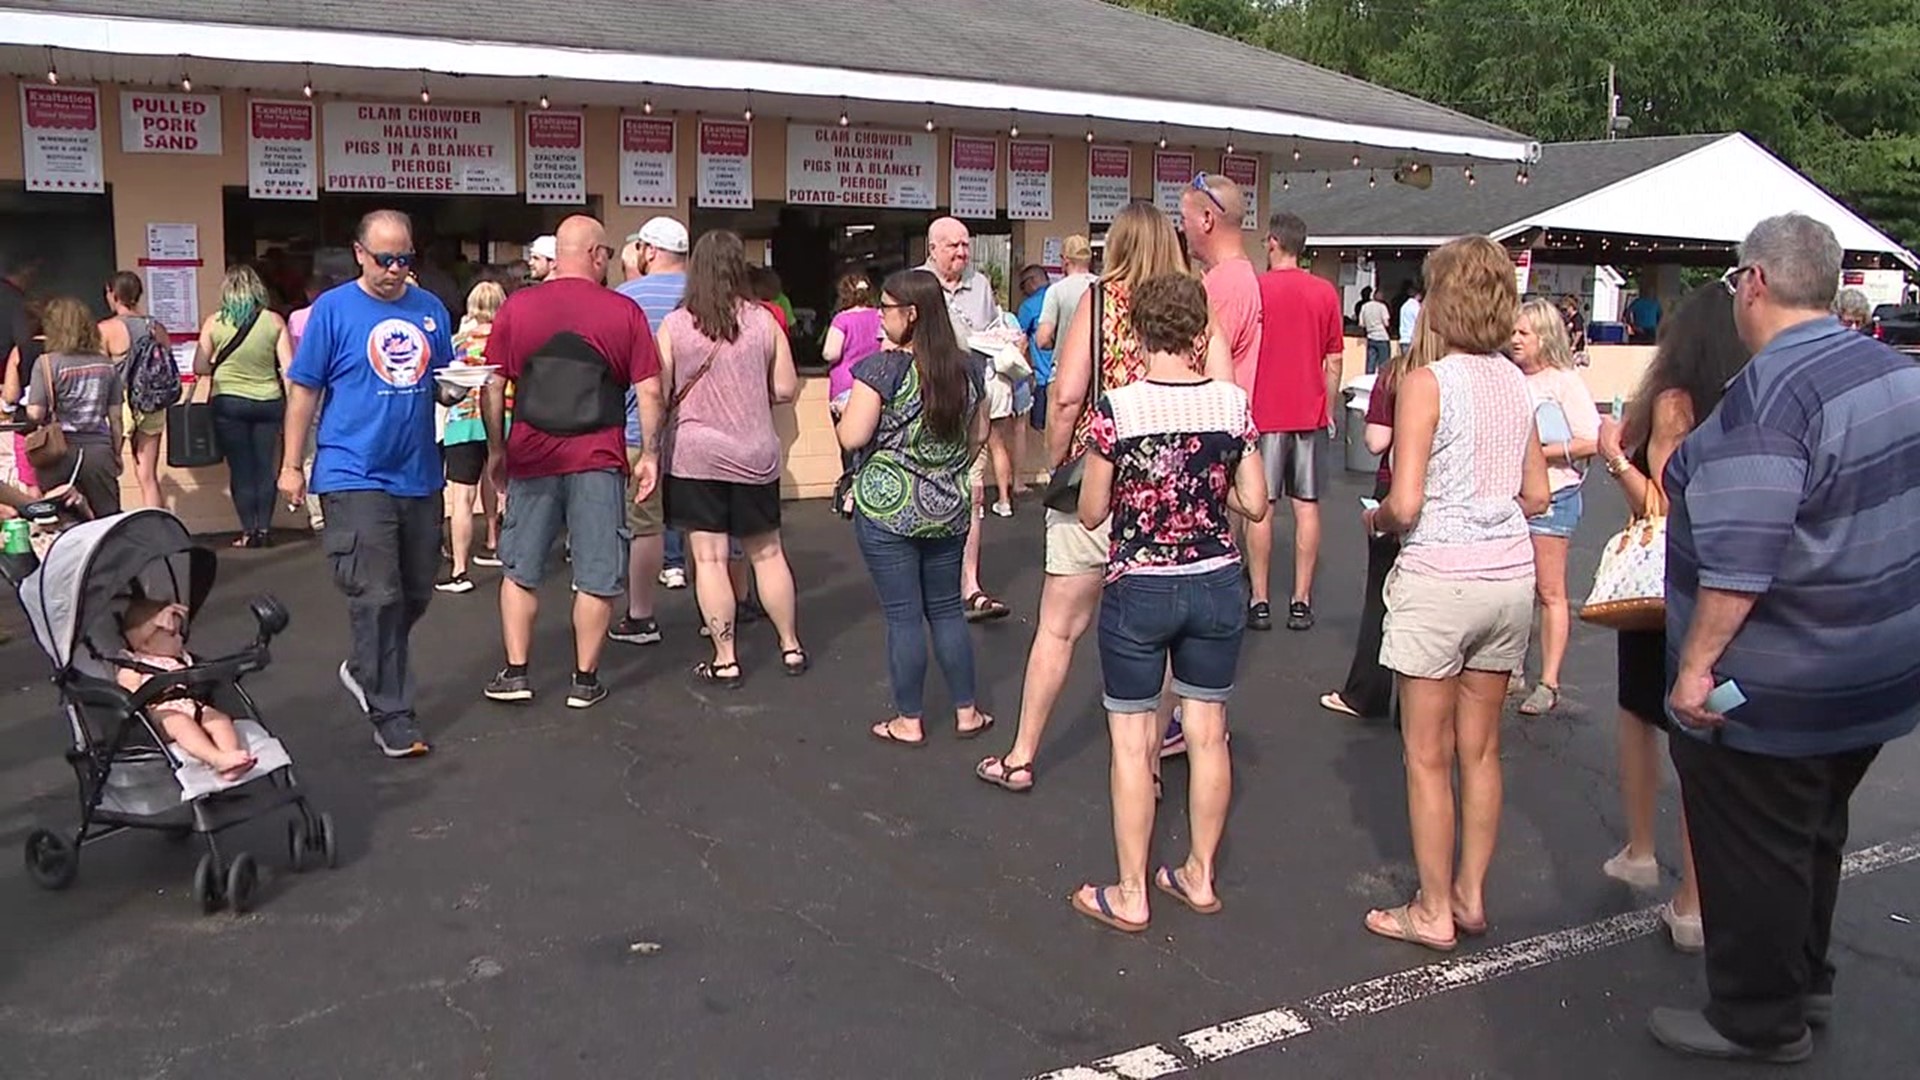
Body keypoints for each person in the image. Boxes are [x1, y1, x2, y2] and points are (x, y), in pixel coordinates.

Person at [1649, 213, 1920, 1063]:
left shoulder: (1766, 397)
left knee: (1755, 843)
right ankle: (1805, 976)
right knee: (1813, 829)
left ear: (1755, 284)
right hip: (1875, 670)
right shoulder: (1892, 371)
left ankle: (1759, 1018)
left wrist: (1694, 671)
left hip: (1779, 680)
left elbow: (1740, 556)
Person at [975, 201, 1234, 794]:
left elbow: (1067, 394)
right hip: (1173, 494)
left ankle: (1022, 753)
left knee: (1059, 627)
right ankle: (1145, 761)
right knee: (1164, 639)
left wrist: (1060, 456)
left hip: (1100, 475)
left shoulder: (1101, 298)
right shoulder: (1197, 307)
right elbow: (1227, 390)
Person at [1361, 235, 1549, 952]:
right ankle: (1470, 894)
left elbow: (1404, 503)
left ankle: (1432, 907)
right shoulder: (1515, 381)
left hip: (1441, 574)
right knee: (1481, 750)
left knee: (1426, 754)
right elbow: (1535, 492)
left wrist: (1376, 520)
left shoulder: (1428, 381)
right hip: (1509, 575)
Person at [1067, 273, 1266, 933]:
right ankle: (1199, 874)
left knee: (1132, 742)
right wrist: (1207, 492)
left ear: (1138, 332)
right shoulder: (1233, 405)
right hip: (1214, 580)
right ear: (1199, 334)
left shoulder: (1118, 409)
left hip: (1141, 584)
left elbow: (1093, 510)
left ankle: (1131, 891)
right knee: (1207, 732)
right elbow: (1257, 503)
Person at [1593, 284, 1748, 955]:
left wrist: (1615, 457)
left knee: (1644, 717)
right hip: (1733, 581)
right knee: (1712, 733)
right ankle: (1698, 889)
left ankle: (1647, 854)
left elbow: (1661, 501)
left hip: (1666, 585)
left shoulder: (1673, 402)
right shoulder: (1747, 400)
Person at [280, 209, 459, 759]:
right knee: (376, 594)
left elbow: (441, 380)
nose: (395, 269)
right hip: (352, 471)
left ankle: (366, 665)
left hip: (418, 472)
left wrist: (453, 390)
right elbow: (305, 391)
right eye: (385, 259)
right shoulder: (332, 311)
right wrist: (292, 464)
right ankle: (393, 712)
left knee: (415, 591)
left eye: (405, 258)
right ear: (359, 253)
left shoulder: (429, 310)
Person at [479, 216, 663, 709]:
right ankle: (585, 680)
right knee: (597, 572)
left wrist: (497, 450)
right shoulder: (623, 311)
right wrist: (650, 454)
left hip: (532, 455)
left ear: (558, 255)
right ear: (599, 255)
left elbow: (493, 383)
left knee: (520, 569)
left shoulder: (519, 307)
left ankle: (517, 672)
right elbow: (649, 389)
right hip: (599, 458)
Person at [841, 268, 991, 746]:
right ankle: (967, 711)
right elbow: (979, 435)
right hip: (948, 509)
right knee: (946, 610)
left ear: (911, 314)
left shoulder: (881, 370)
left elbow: (854, 436)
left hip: (887, 511)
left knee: (904, 616)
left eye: (886, 308)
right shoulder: (968, 369)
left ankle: (909, 720)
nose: (880, 317)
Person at [658, 229, 805, 687]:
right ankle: (790, 645)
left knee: (709, 559)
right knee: (768, 552)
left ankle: (726, 656)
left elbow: (660, 391)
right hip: (755, 452)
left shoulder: (676, 325)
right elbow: (785, 388)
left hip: (695, 456)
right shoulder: (765, 321)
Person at [1320, 309, 1442, 721]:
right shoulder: (1458, 377)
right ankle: (1418, 706)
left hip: (1396, 487)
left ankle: (1367, 692)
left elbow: (1375, 442)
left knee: (1382, 595)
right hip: (1445, 495)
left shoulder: (1395, 374)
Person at [1247, 211, 1342, 632]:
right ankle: (1300, 600)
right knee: (1306, 507)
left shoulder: (1256, 290)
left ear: (1272, 242)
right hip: (1309, 413)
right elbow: (1334, 360)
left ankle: (1259, 598)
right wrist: (1328, 407)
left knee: (1261, 508)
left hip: (1264, 413)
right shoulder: (1325, 293)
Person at [1508, 298, 1599, 716]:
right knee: (1514, 588)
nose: (1515, 339)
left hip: (1555, 496)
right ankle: (1511, 669)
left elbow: (1591, 439)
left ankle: (1548, 681)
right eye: (1514, 332)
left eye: (1523, 333)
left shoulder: (1564, 382)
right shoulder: (1508, 378)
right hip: (1512, 497)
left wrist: (1539, 454)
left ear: (1544, 337)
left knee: (1549, 591)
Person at [922, 216, 1013, 622]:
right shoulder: (915, 286)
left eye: (965, 245)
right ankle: (929, 580)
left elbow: (994, 331)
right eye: (952, 246)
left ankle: (970, 585)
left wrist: (1009, 343)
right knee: (929, 495)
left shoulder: (981, 286)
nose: (961, 253)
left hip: (974, 405)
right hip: (927, 410)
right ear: (932, 248)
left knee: (973, 494)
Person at [611, 216, 691, 641]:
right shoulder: (710, 297)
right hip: (700, 431)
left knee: (644, 524)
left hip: (638, 429)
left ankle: (640, 615)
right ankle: (729, 608)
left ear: (649, 251)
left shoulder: (624, 297)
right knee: (711, 528)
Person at [195, 265, 293, 548]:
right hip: (268, 401)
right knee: (265, 468)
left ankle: (248, 531)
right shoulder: (274, 321)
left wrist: (223, 366)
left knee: (241, 469)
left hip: (229, 403)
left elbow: (200, 366)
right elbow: (288, 369)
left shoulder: (214, 323)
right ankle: (264, 529)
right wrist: (291, 410)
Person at [116, 597, 255, 779]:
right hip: (160, 715)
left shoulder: (181, 658)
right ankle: (216, 758)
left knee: (219, 719)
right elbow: (129, 694)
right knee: (182, 724)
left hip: (190, 704)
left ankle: (232, 756)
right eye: (173, 634)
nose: (181, 638)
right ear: (145, 643)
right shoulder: (133, 665)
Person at [20, 297, 125, 517]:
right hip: (98, 451)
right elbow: (116, 418)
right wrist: (116, 453)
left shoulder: (47, 363)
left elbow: (36, 413)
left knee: (58, 517)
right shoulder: (106, 364)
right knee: (107, 517)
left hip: (57, 452)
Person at [436, 281, 504, 594]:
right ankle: (493, 539)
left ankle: (460, 569)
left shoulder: (458, 340)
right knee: (496, 481)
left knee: (462, 498)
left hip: (463, 421)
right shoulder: (507, 339)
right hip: (501, 420)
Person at [290, 248, 357, 532]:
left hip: (312, 387)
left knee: (311, 452)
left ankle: (318, 514)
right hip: (340, 387)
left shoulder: (297, 318)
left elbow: (295, 361)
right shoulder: (346, 314)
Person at [1183, 173, 1262, 393]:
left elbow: (1193, 371)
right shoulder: (1241, 275)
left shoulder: (1223, 287)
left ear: (1207, 219)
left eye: (1184, 219)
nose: (1182, 229)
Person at [98, 272, 168, 510]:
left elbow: (99, 372)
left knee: (111, 470)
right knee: (147, 475)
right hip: (152, 401)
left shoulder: (106, 329)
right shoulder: (156, 328)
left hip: (119, 403)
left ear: (113, 294)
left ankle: (113, 525)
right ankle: (157, 530)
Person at [1036, 234, 1099, 432]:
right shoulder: (1104, 286)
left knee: (1058, 441)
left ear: (1065, 260)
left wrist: (1059, 341)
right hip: (1098, 377)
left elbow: (1043, 338)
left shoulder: (1056, 291)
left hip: (1063, 375)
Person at [1358, 288, 1392, 374]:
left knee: (1370, 364)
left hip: (1370, 337)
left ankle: (1368, 383)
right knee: (1384, 365)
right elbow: (1386, 323)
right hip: (1382, 338)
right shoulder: (1382, 307)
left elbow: (1361, 324)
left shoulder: (1365, 306)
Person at [1396, 281, 1423, 356]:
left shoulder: (1404, 306)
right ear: (1418, 295)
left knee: (1405, 364)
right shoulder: (1415, 306)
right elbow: (1420, 320)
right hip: (1412, 339)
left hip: (1403, 338)